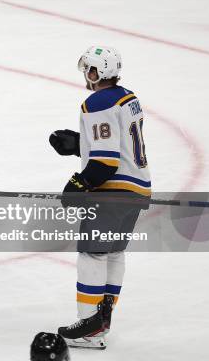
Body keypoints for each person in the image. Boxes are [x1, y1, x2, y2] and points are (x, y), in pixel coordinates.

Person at [49, 46, 151, 348]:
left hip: (112, 191)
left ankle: (89, 325)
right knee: (114, 253)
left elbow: (106, 162)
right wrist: (81, 144)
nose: (86, 74)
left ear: (100, 72)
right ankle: (102, 317)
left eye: (90, 69)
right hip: (137, 189)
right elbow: (117, 144)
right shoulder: (128, 98)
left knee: (92, 253)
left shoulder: (97, 102)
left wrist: (79, 183)